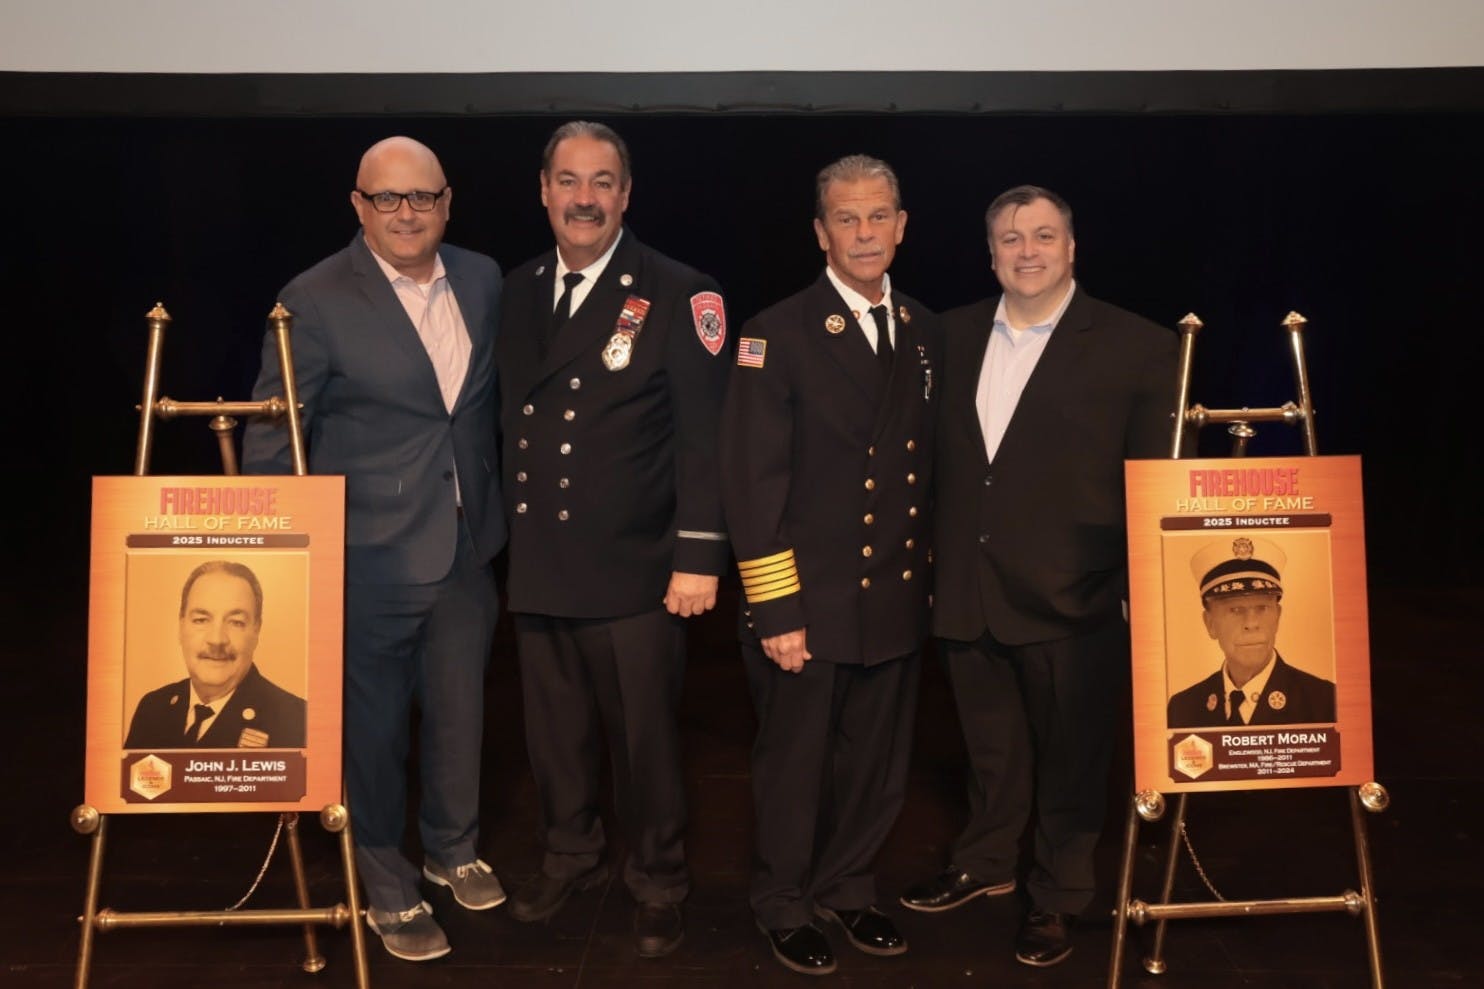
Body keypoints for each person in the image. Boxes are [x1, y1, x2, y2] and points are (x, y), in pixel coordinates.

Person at [242, 136, 507, 962]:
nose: (406, 214)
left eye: (421, 197)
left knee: (462, 719)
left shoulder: (482, 277)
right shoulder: (313, 298)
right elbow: (274, 435)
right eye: (387, 199)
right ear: (357, 205)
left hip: (469, 545)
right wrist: (285, 560)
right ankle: (385, 884)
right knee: (374, 732)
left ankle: (451, 849)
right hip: (366, 560)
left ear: (447, 202)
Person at [901, 185, 1179, 968]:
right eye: (1011, 238)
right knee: (990, 748)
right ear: (990, 253)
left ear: (1072, 248)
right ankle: (986, 864)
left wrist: (1136, 586)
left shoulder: (1138, 346)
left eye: (1044, 235)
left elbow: (1153, 480)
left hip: (1075, 595)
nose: (1028, 251)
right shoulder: (945, 336)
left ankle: (1058, 895)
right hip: (965, 586)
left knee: (1071, 758)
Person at [495, 120, 731, 959]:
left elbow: (706, 438)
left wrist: (698, 553)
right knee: (553, 735)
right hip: (541, 564)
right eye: (568, 180)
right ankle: (572, 852)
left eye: (601, 182)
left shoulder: (679, 290)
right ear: (545, 191)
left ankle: (658, 876)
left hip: (637, 569)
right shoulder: (515, 289)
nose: (584, 198)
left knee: (645, 746)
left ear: (625, 196)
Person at [720, 154, 939, 977]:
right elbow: (750, 485)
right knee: (794, 768)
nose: (864, 232)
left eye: (878, 215)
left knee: (877, 768)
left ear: (902, 224)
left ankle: (848, 888)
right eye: (846, 218)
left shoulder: (924, 328)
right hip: (806, 604)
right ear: (820, 233)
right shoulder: (773, 333)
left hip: (892, 594)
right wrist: (777, 611)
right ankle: (783, 900)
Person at [124, 560, 305, 750]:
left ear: (256, 631)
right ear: (181, 626)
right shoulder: (153, 708)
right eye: (201, 620)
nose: (217, 640)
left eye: (236, 622)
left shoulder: (296, 720)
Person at [1167, 535, 1336, 727]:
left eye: (1262, 608)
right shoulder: (1182, 709)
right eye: (1236, 610)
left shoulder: (1326, 702)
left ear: (1277, 616)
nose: (1251, 623)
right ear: (1210, 623)